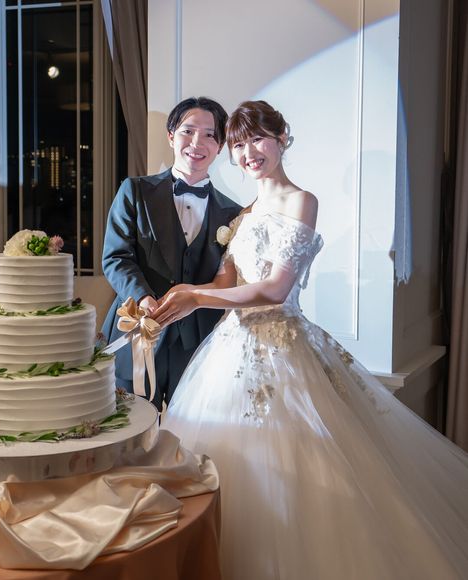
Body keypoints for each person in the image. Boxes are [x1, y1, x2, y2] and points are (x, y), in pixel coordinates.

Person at [157, 100, 468, 579]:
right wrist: (181, 296)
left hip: (283, 348)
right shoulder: (244, 212)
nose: (248, 153)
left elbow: (275, 289)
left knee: (303, 469)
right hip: (230, 351)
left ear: (282, 138)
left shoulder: (302, 201)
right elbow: (225, 284)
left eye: (257, 139)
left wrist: (196, 298)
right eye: (238, 145)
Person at [102, 97, 241, 410]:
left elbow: (228, 282)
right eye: (187, 131)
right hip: (137, 331)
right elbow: (116, 257)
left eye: (209, 135)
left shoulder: (233, 213)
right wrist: (142, 297)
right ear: (170, 136)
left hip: (198, 343)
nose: (197, 142)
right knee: (130, 425)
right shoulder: (135, 191)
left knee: (188, 431)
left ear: (220, 147)